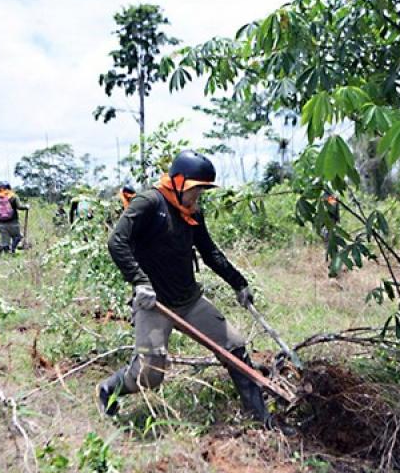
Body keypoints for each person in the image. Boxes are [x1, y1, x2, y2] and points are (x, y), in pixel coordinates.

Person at [98, 150, 292, 434]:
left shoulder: (193, 213)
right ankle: (109, 388)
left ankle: (260, 419)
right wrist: (139, 281)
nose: (198, 195)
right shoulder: (150, 203)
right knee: (150, 375)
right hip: (154, 305)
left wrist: (239, 283)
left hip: (190, 301)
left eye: (202, 189)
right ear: (178, 181)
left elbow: (210, 252)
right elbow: (117, 241)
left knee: (235, 347)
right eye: (195, 188)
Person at [0, 182, 29, 253]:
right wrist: (26, 207)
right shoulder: (14, 197)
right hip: (13, 223)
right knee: (18, 237)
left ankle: (7, 254)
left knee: (5, 242)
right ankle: (13, 249)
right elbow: (19, 207)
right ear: (9, 189)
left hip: (2, 224)